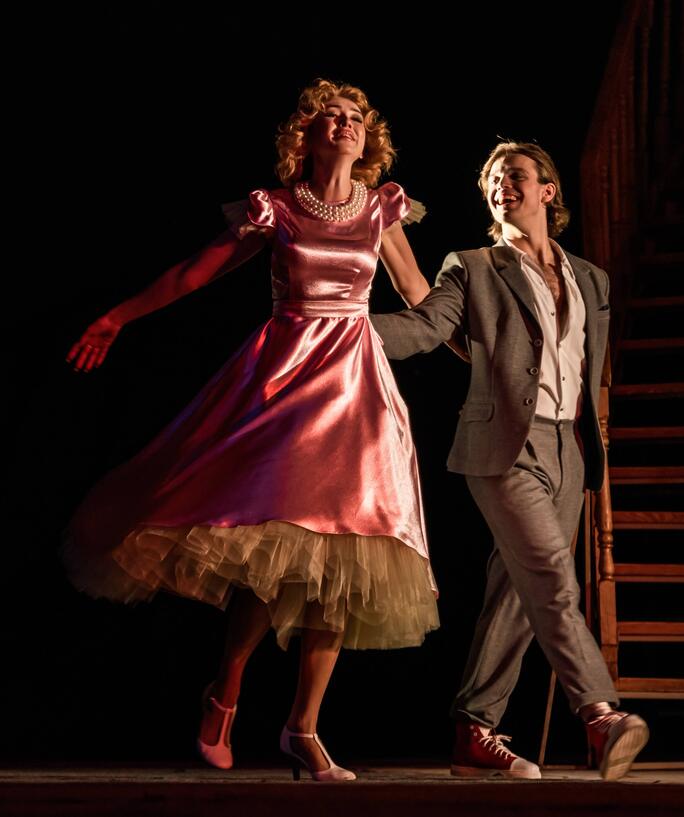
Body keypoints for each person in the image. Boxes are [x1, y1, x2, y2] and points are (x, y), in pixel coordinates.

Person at [63, 79, 439, 782]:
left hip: (359, 390)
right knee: (274, 545)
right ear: (308, 134)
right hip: (288, 381)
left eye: (356, 117)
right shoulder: (279, 208)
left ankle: (304, 728)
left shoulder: (381, 208)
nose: (345, 124)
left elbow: (420, 293)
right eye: (331, 115)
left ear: (368, 138)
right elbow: (195, 273)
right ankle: (227, 687)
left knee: (350, 555)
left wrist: (488, 348)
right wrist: (118, 317)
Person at [370, 142, 648, 781]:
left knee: (518, 593)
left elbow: (587, 368)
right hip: (505, 447)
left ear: (548, 190)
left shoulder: (592, 279)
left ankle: (474, 730)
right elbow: (428, 326)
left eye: (515, 175)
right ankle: (601, 714)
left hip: (571, 449)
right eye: (493, 180)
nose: (502, 186)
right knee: (550, 573)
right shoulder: (472, 267)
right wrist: (346, 331)